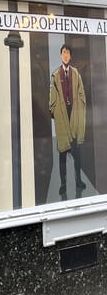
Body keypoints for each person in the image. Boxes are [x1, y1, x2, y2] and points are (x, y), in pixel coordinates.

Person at [49, 44, 86, 195]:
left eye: (68, 53)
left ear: (70, 56)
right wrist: (55, 112)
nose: (65, 55)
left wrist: (80, 109)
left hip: (74, 114)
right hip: (62, 116)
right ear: (60, 55)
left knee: (76, 152)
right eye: (63, 52)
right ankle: (63, 183)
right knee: (63, 153)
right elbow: (52, 98)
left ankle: (78, 180)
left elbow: (82, 93)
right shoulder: (55, 75)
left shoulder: (76, 73)